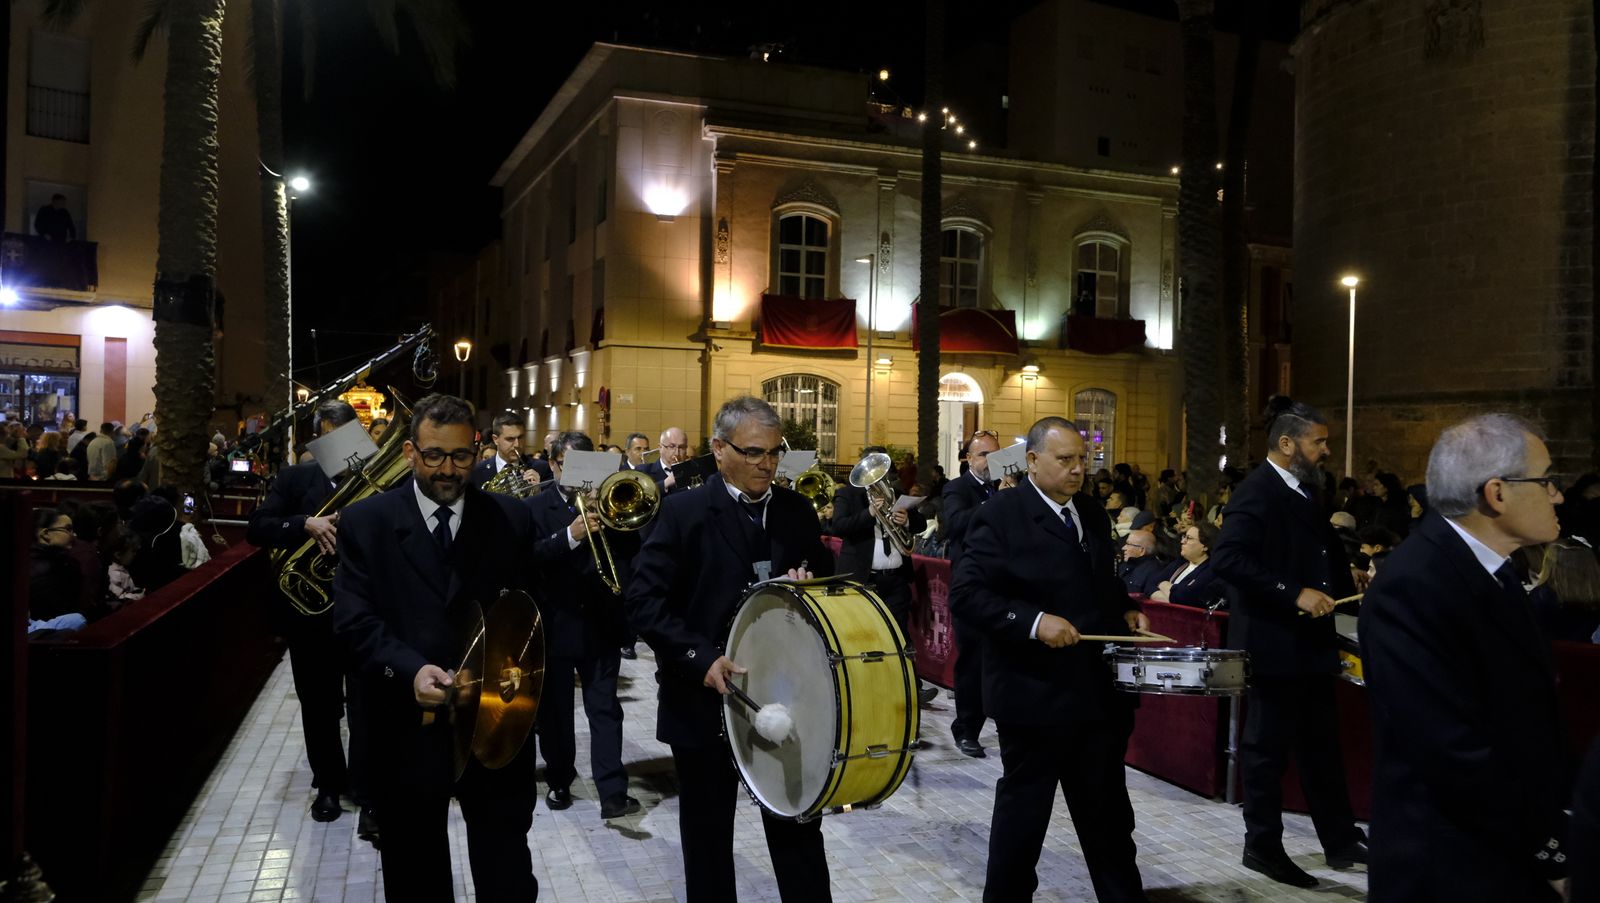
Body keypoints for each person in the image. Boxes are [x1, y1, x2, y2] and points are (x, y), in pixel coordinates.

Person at [332, 393, 544, 901]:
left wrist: (521, 673)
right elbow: (354, 622)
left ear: (476, 451)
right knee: (416, 874)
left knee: (508, 876)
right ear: (409, 453)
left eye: (460, 456)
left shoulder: (512, 518)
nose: (447, 470)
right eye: (433, 456)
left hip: (495, 726)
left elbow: (530, 613)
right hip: (406, 729)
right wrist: (409, 671)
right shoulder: (367, 522)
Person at [626, 395, 833, 901]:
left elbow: (828, 586)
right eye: (754, 452)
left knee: (799, 827)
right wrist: (699, 657)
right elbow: (644, 602)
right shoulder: (681, 513)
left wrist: (811, 586)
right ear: (719, 449)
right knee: (707, 837)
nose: (767, 464)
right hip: (703, 698)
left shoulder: (797, 510)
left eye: (775, 453)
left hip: (785, 698)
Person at [1361, 414, 1572, 902]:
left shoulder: (1492, 569)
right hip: (1452, 867)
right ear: (1496, 493)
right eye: (1546, 481)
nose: (1557, 494)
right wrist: (1551, 851)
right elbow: (1452, 752)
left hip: (1501, 850)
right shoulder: (1414, 585)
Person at [950, 416, 1149, 903]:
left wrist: (1126, 609)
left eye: (1083, 459)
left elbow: (1101, 581)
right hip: (1032, 694)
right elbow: (968, 594)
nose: (1079, 470)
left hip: (1096, 696)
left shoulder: (1091, 512)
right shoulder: (1000, 515)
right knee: (1024, 818)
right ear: (1033, 460)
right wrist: (1036, 622)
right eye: (1066, 460)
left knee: (1108, 819)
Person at [1211, 396, 1366, 888]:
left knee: (1322, 747)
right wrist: (1292, 592)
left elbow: (1315, 554)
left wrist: (1350, 587)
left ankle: (1340, 841)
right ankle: (1262, 846)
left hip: (1310, 645)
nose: (1325, 451)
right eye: (1318, 441)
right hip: (1274, 644)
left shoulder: (1305, 491)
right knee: (1266, 751)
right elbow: (1229, 560)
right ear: (1286, 443)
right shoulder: (1257, 492)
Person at [247, 401, 365, 830]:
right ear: (320, 436)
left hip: (363, 612)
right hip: (310, 617)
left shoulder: (379, 482)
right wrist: (305, 524)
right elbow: (257, 527)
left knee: (367, 704)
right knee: (319, 706)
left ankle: (366, 786)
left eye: (350, 434)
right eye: (333, 434)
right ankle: (329, 785)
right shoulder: (295, 479)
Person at [527, 431, 640, 820]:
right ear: (555, 464)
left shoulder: (611, 504)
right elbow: (531, 558)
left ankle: (613, 790)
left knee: (605, 709)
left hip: (601, 622)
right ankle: (560, 779)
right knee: (555, 712)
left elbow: (629, 556)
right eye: (572, 466)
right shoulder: (536, 507)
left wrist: (611, 520)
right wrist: (571, 536)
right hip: (557, 623)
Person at [831, 445, 938, 706]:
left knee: (899, 633)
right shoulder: (848, 495)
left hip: (895, 578)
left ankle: (912, 684)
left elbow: (921, 524)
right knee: (862, 635)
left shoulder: (896, 493)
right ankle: (865, 685)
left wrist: (906, 520)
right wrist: (869, 513)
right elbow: (839, 526)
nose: (876, 475)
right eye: (871, 468)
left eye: (881, 469)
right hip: (863, 579)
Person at [942, 429, 1006, 759]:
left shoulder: (1007, 488)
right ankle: (967, 729)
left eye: (995, 455)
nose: (989, 462)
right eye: (983, 455)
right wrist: (998, 502)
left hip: (1005, 587)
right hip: (971, 588)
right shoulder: (957, 488)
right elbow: (954, 524)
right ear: (969, 458)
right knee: (973, 663)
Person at [1150, 522, 1226, 608]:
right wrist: (1171, 599)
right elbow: (1150, 584)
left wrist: (1163, 584)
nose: (1182, 541)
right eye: (1184, 536)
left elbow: (1185, 597)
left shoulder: (1210, 570)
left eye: (1189, 538)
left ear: (1205, 546)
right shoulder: (1180, 562)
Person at [469, 411, 550, 491]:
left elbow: (552, 503)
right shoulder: (477, 472)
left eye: (520, 437)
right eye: (510, 439)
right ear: (495, 439)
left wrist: (538, 491)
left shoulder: (542, 468)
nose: (517, 444)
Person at [1118, 530, 1166, 597]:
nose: (1123, 548)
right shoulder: (1124, 565)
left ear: (1142, 550)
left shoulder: (1154, 572)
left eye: (1128, 544)